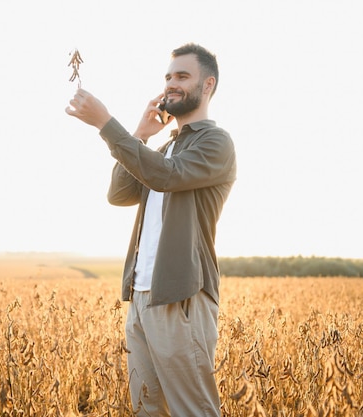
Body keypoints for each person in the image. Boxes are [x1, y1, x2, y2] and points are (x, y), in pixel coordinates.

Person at [65, 43, 236, 417]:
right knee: (146, 410)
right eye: (168, 77)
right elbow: (119, 193)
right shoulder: (166, 148)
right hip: (142, 297)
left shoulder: (214, 143)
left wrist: (106, 124)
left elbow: (165, 177)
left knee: (194, 411)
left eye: (182, 77)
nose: (171, 84)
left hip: (181, 296)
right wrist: (139, 135)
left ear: (207, 86)